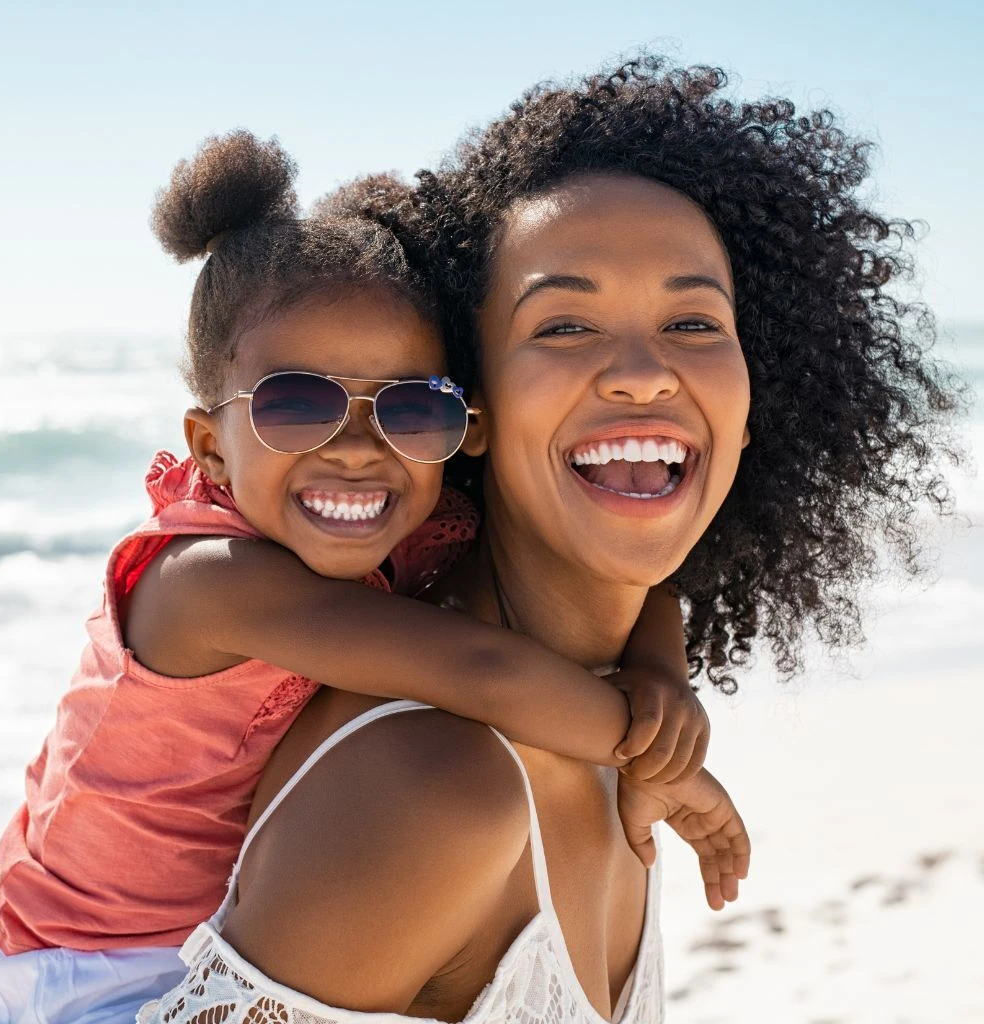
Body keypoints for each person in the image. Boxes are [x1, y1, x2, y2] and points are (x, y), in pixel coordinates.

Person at [139, 57, 961, 1023]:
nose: (644, 372)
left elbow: (643, 606)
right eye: (564, 324)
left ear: (750, 407)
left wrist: (663, 680)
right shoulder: (436, 788)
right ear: (470, 413)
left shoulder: (622, 727)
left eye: (694, 320)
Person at [0, 130, 741, 1024]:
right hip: (87, 963)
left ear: (461, 426)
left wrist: (662, 676)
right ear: (211, 446)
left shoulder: (399, 531)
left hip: (197, 929)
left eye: (411, 409)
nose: (363, 448)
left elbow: (639, 583)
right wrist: (663, 759)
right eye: (299, 405)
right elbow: (477, 670)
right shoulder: (207, 582)